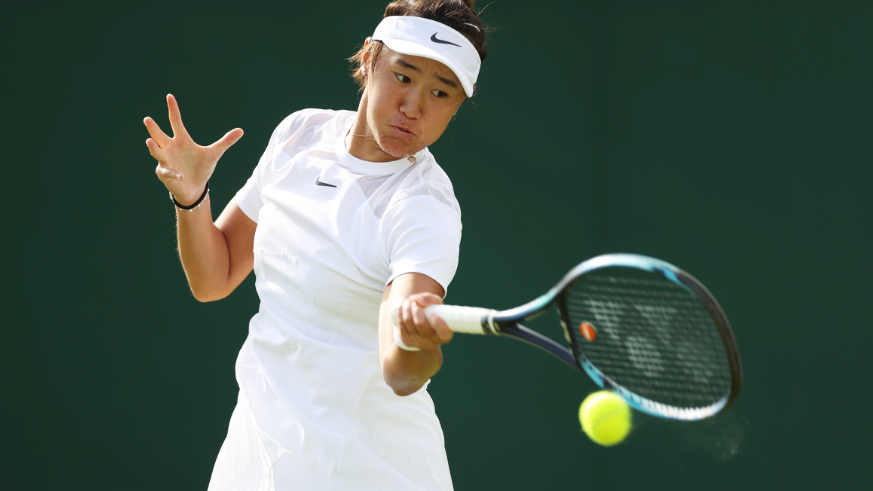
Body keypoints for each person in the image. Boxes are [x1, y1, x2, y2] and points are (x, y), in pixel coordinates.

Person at [143, 0, 487, 489]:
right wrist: (191, 198)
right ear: (369, 58)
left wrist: (417, 346)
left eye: (440, 92)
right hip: (256, 451)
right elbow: (212, 279)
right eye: (404, 76)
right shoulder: (299, 134)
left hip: (369, 471)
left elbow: (400, 371)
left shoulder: (423, 206)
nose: (414, 107)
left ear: (456, 106)